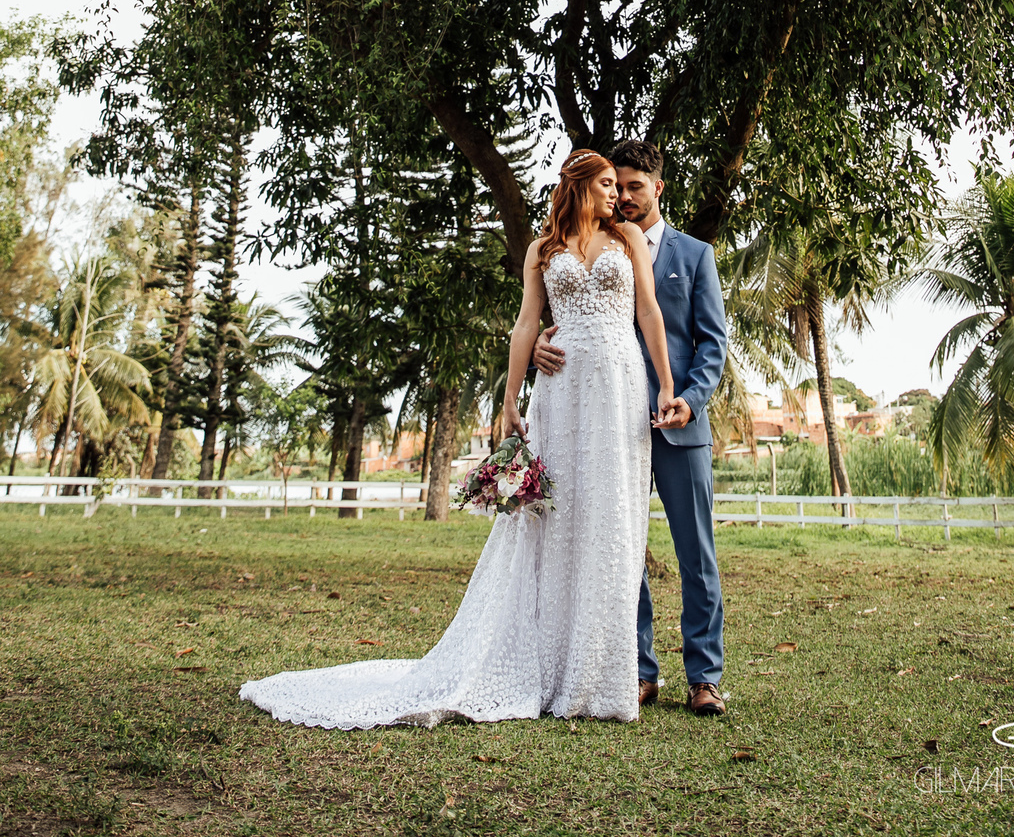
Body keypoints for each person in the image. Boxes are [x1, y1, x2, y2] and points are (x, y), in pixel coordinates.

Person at [239, 149, 686, 728]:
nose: (617, 195)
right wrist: (509, 403)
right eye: (605, 185)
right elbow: (528, 322)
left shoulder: (628, 238)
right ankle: (549, 665)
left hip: (621, 385)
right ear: (578, 187)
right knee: (558, 518)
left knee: (612, 520)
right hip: (562, 389)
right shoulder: (541, 250)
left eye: (620, 187)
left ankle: (601, 675)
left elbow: (648, 314)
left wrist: (666, 388)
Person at [532, 138, 728, 716]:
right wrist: (548, 340)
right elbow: (562, 311)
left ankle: (704, 676)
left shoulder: (694, 255)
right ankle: (636, 669)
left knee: (696, 553)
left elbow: (713, 344)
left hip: (676, 425)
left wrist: (689, 400)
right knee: (617, 547)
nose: (623, 198)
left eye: (634, 187)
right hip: (606, 425)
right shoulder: (599, 244)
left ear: (658, 187)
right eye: (614, 186)